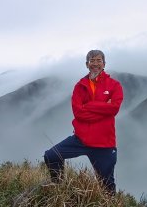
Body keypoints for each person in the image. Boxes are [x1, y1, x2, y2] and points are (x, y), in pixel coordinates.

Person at [43, 49, 124, 194]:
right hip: (80, 139)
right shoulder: (80, 86)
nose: (95, 64)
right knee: (51, 155)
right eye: (92, 61)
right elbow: (79, 113)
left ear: (104, 64)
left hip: (104, 144)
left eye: (99, 60)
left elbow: (114, 109)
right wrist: (103, 108)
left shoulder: (114, 85)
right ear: (87, 64)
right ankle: (59, 188)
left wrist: (89, 106)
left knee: (107, 186)